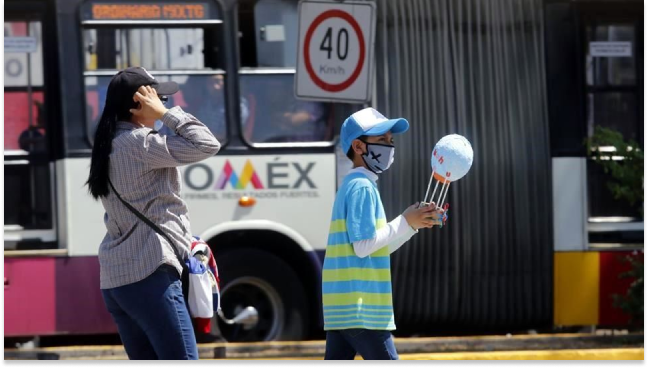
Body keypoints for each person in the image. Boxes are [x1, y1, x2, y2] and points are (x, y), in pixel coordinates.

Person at [86, 66, 221, 360]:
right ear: (138, 105)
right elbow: (207, 143)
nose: (165, 102)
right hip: (150, 273)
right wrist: (166, 114)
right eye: (158, 97)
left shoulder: (111, 143)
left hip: (117, 280)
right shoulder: (139, 143)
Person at [322, 107, 446, 360]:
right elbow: (364, 246)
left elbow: (375, 247)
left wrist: (412, 225)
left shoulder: (353, 184)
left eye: (390, 141)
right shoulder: (362, 187)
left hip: (344, 307)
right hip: (362, 308)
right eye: (381, 141)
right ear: (358, 146)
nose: (389, 147)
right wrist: (404, 220)